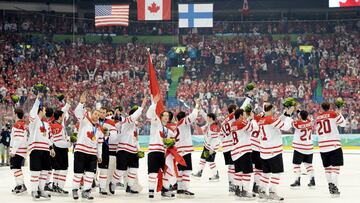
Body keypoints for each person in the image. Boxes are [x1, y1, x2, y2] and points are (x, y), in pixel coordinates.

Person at [257, 104, 295, 202]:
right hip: (273, 151)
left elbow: (277, 120)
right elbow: (286, 127)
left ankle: (262, 192)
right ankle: (273, 192)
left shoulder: (261, 119)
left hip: (264, 150)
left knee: (266, 173)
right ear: (271, 109)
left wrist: (285, 114)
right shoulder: (271, 119)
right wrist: (289, 115)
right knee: (277, 173)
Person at [110, 98, 147, 194]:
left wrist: (139, 150)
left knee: (134, 169)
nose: (139, 116)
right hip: (123, 149)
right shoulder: (127, 121)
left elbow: (136, 139)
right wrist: (141, 107)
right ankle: (113, 183)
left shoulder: (135, 126)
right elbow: (134, 116)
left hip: (133, 150)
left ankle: (129, 186)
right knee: (121, 170)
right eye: (137, 114)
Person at [72, 92, 104, 200]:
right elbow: (77, 113)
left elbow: (99, 143)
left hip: (92, 154)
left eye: (98, 115)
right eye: (95, 114)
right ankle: (75, 190)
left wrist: (99, 156)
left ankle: (86, 191)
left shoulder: (100, 129)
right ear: (91, 114)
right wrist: (81, 103)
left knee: (90, 174)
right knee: (78, 173)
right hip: (81, 151)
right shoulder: (85, 121)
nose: (97, 116)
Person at [146, 95, 175, 198]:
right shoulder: (156, 123)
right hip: (153, 151)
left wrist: (172, 142)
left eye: (168, 116)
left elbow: (174, 140)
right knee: (153, 173)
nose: (166, 117)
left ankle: (165, 190)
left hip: (163, 154)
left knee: (168, 171)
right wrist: (154, 103)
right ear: (161, 117)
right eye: (164, 115)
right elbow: (149, 115)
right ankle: (151, 193)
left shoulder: (169, 131)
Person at [315, 102, 346, 197]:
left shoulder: (317, 117)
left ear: (321, 108)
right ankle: (335, 187)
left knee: (327, 168)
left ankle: (330, 185)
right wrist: (339, 112)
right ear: (329, 107)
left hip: (323, 146)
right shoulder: (333, 113)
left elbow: (317, 131)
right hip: (334, 144)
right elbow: (343, 124)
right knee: (336, 168)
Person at [28, 93, 55, 200]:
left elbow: (47, 138)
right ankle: (34, 190)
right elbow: (32, 112)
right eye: (43, 110)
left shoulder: (46, 124)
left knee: (45, 171)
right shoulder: (34, 121)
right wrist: (37, 100)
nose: (45, 112)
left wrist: (51, 148)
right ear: (39, 110)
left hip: (45, 150)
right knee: (35, 171)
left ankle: (41, 189)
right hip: (36, 149)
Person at [174, 99, 200, 198]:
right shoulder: (183, 122)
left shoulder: (177, 125)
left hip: (179, 150)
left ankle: (180, 188)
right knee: (187, 171)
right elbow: (193, 116)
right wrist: (197, 105)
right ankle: (185, 189)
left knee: (180, 170)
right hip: (185, 150)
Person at [231, 108, 259, 200]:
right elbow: (253, 128)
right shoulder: (241, 122)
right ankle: (246, 191)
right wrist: (252, 119)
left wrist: (248, 120)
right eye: (243, 114)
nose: (244, 116)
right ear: (240, 116)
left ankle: (238, 190)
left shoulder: (233, 124)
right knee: (247, 173)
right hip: (243, 150)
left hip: (235, 151)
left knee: (238, 172)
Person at [49, 97, 71, 195]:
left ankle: (55, 185)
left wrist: (67, 103)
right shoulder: (57, 126)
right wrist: (69, 143)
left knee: (57, 168)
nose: (64, 117)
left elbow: (63, 110)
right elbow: (58, 141)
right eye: (62, 116)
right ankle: (59, 186)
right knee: (64, 168)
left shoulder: (55, 124)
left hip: (57, 148)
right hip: (60, 148)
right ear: (60, 117)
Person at [192, 109, 220, 182]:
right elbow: (205, 115)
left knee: (210, 161)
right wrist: (200, 109)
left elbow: (215, 139)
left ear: (210, 118)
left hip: (211, 147)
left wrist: (212, 149)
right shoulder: (209, 123)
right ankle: (199, 172)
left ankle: (216, 175)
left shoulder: (214, 126)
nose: (206, 118)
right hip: (207, 146)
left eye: (208, 117)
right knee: (203, 159)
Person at [290, 110, 315, 189]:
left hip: (299, 148)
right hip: (309, 147)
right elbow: (306, 117)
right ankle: (312, 180)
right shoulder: (310, 122)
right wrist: (301, 113)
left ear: (300, 116)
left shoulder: (297, 123)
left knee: (296, 165)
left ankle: (297, 181)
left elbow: (292, 122)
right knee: (308, 165)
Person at [97, 106, 117, 196]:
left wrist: (108, 133)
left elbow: (114, 135)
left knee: (104, 169)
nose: (102, 114)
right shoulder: (94, 120)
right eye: (100, 112)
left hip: (104, 147)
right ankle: (87, 188)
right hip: (92, 146)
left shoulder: (110, 122)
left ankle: (102, 188)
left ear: (106, 114)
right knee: (90, 170)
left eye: (103, 112)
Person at [219, 104, 237, 193]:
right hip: (232, 146)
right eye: (236, 109)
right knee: (235, 166)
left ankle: (231, 184)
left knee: (231, 166)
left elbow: (220, 135)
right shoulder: (233, 118)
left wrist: (224, 142)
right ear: (233, 110)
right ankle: (234, 184)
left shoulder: (223, 121)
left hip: (225, 147)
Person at [9, 109, 27, 194]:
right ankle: (20, 184)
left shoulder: (18, 124)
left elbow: (18, 139)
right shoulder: (22, 124)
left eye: (13, 113)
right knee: (16, 168)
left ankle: (21, 185)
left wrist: (13, 151)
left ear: (16, 114)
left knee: (16, 168)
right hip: (21, 150)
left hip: (18, 151)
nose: (12, 114)